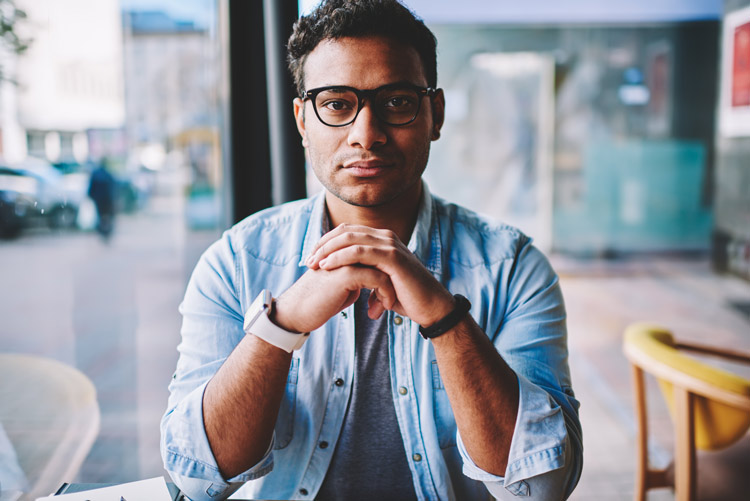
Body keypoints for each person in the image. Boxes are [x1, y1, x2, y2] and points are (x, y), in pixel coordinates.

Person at [161, 1, 582, 499]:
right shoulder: (236, 262)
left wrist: (444, 317)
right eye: (337, 104)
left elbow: (541, 485)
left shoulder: (512, 267)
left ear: (436, 114)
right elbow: (195, 477)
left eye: (398, 101)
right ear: (301, 120)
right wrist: (281, 326)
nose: (367, 134)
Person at [87, 160, 117, 240]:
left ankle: (102, 230)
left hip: (98, 199)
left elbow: (91, 187)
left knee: (100, 215)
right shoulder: (109, 174)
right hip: (107, 199)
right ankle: (106, 231)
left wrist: (90, 196)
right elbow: (113, 187)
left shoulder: (96, 174)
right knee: (107, 215)